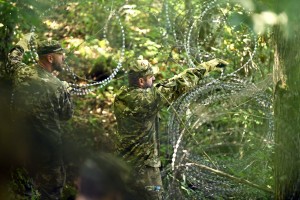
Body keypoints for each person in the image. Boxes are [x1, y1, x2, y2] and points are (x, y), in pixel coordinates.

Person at [113, 56, 228, 199]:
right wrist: (209, 65)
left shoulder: (121, 95)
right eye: (150, 77)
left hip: (121, 164)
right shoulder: (147, 100)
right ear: (141, 81)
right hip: (144, 168)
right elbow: (179, 83)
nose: (154, 79)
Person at [6, 33, 73, 199]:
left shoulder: (21, 73)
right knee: (50, 194)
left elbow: (12, 59)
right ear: (50, 58)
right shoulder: (57, 87)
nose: (64, 57)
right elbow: (66, 115)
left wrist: (23, 41)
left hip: (21, 149)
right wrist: (67, 92)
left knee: (23, 193)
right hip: (48, 155)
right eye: (60, 54)